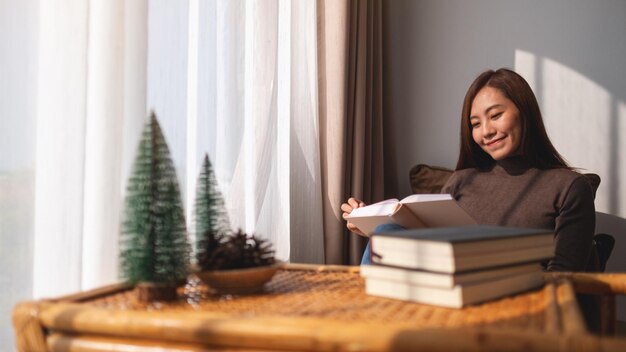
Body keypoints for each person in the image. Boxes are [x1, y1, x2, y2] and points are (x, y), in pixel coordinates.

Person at [341, 67, 601, 329]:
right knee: (386, 231)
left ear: (525, 112)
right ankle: (367, 328)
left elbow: (563, 278)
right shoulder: (462, 180)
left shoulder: (569, 186)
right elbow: (430, 245)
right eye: (475, 124)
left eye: (496, 115)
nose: (485, 131)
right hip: (442, 299)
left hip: (513, 310)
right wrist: (371, 225)